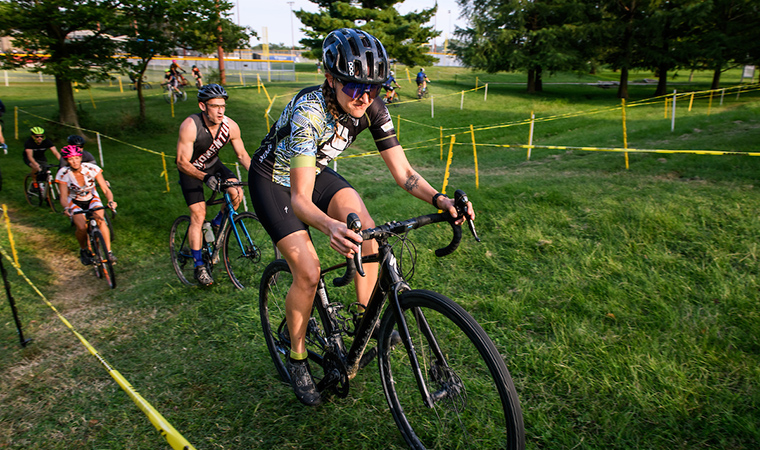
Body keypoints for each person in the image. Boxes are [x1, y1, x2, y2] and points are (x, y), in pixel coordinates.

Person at [248, 28, 474, 407]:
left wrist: (440, 199)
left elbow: (404, 174)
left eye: (373, 87)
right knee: (308, 269)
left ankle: (361, 320)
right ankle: (298, 356)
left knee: (367, 229)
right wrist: (329, 225)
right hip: (274, 180)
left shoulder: (372, 106)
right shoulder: (309, 112)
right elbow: (302, 200)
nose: (364, 96)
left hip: (312, 169)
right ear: (331, 79)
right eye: (353, 87)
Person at [176, 83, 251, 286]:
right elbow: (181, 162)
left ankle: (218, 224)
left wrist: (256, 175)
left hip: (213, 165)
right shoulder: (190, 126)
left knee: (236, 193)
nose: (220, 111)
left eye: (223, 106)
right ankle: (199, 266)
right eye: (214, 106)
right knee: (198, 215)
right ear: (203, 106)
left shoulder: (230, 126)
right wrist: (204, 177)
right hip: (191, 170)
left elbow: (242, 155)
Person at [56, 145, 117, 265]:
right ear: (67, 161)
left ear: (81, 158)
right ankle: (83, 249)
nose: (74, 162)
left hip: (91, 197)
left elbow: (105, 189)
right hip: (74, 201)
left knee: (101, 221)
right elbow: (63, 196)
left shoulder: (92, 168)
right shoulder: (63, 173)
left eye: (77, 158)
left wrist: (110, 201)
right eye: (71, 159)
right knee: (82, 227)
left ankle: (109, 253)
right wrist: (66, 208)